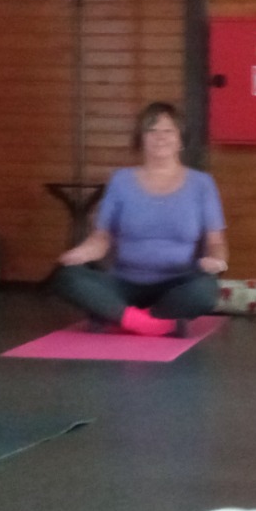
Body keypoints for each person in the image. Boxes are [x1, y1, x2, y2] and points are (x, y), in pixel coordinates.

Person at [53, 102, 226, 337]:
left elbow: (216, 242)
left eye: (168, 131)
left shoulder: (202, 184)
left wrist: (216, 260)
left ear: (180, 139)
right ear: (141, 139)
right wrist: (82, 253)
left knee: (205, 292)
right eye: (151, 131)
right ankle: (151, 323)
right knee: (67, 276)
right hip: (123, 284)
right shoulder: (120, 180)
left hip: (176, 286)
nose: (160, 137)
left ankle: (119, 317)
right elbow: (101, 237)